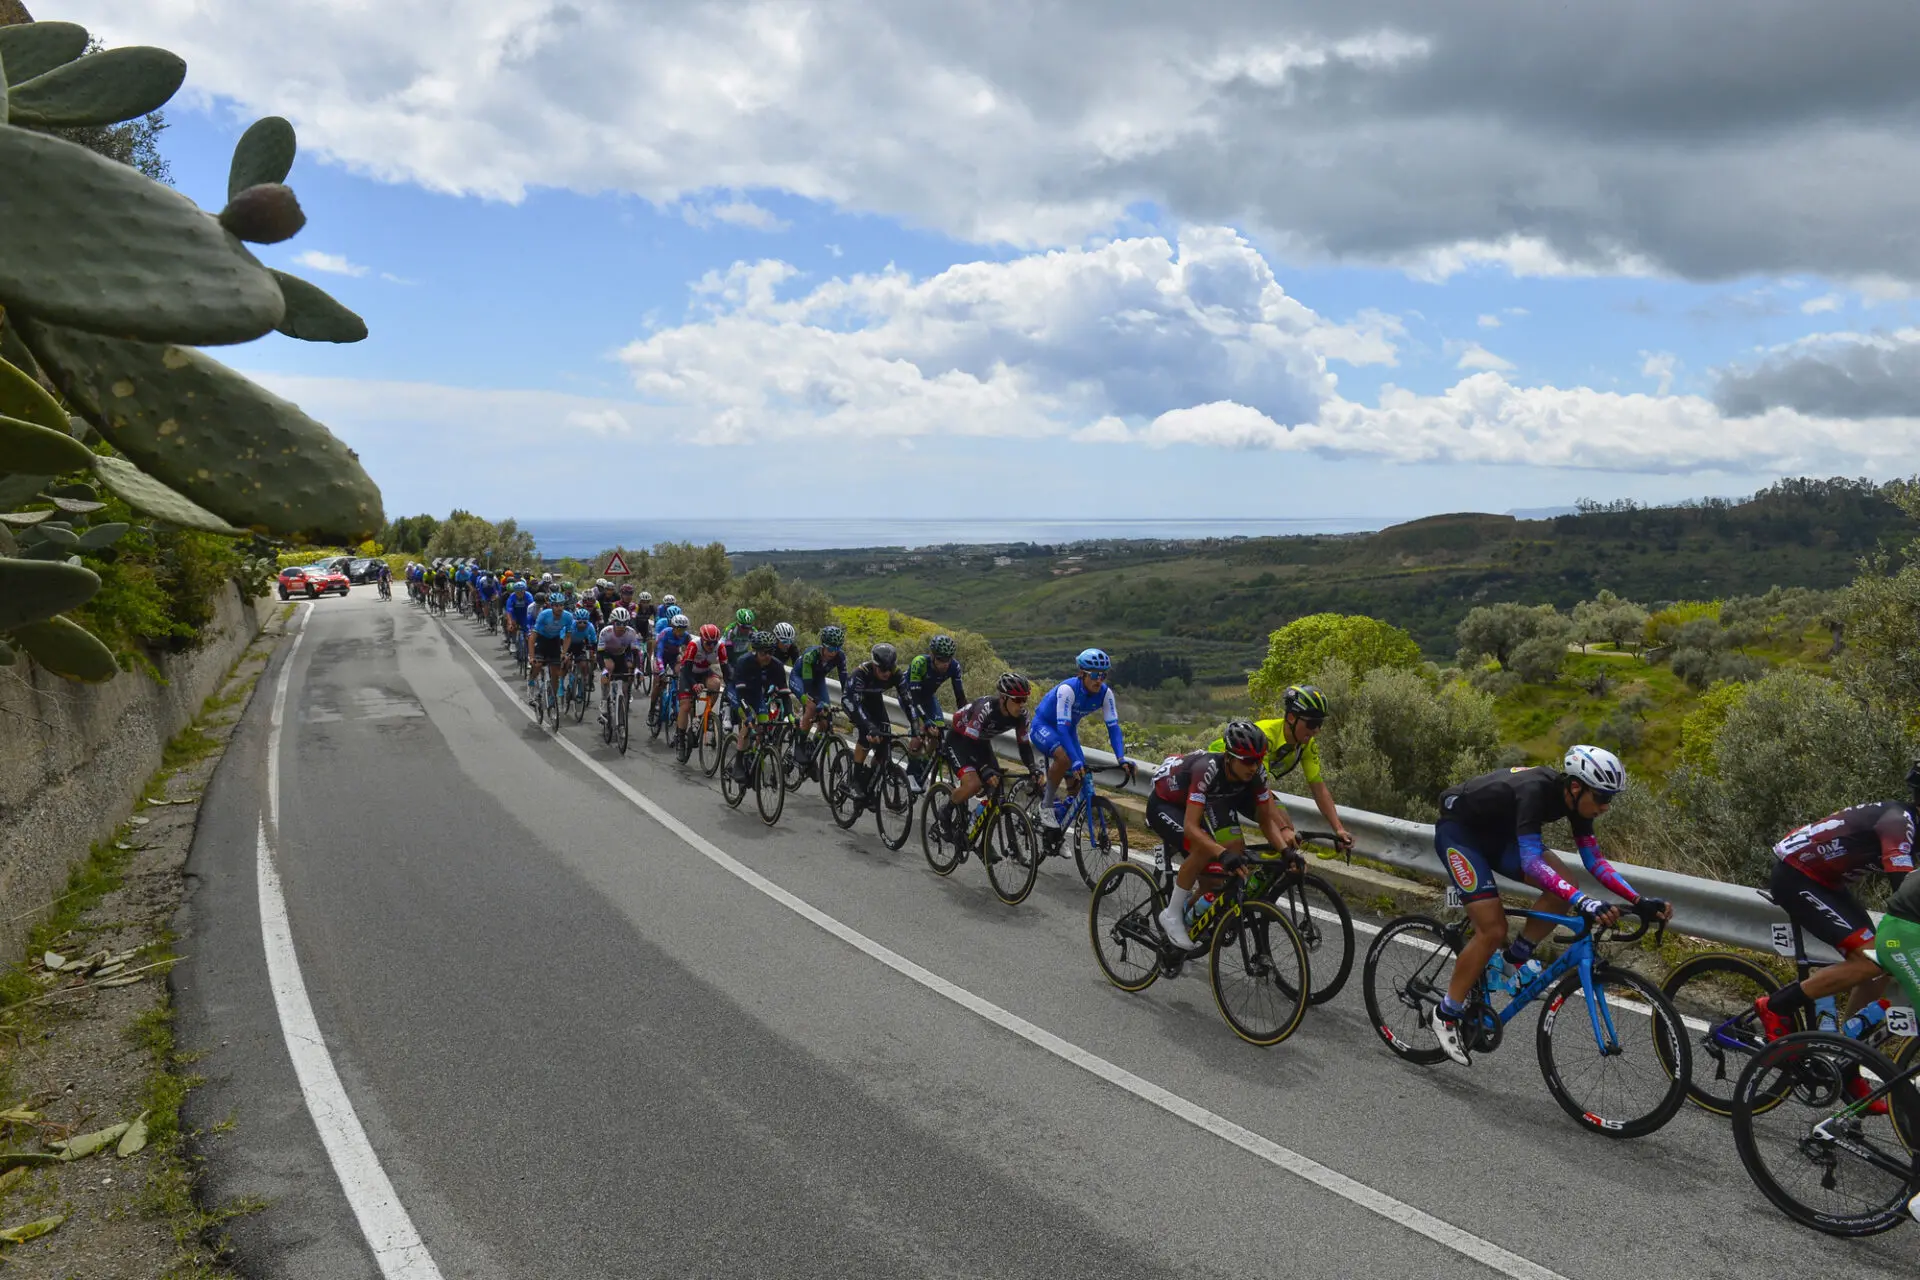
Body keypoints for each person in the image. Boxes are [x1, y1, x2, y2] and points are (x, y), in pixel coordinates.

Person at [1427, 746, 1669, 1066]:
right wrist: (1583, 902)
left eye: (1610, 799)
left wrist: (1638, 900)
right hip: (1460, 835)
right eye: (1601, 797)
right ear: (1576, 786)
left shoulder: (1578, 803)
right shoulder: (1534, 791)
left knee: (1566, 884)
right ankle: (1445, 1013)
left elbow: (1594, 862)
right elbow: (1531, 861)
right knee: (1493, 929)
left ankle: (1512, 960)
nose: (1605, 807)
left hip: (1498, 837)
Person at [1749, 765, 1916, 1105]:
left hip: (1827, 882)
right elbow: (1904, 892)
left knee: (1880, 966)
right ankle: (1776, 1006)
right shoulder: (1899, 822)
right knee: (1872, 958)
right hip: (1797, 875)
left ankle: (1845, 1061)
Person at [1150, 721, 1306, 950]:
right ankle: (1171, 915)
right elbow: (1191, 828)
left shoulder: (1256, 772)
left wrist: (1285, 851)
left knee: (1215, 880)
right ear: (1229, 757)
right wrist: (1222, 853)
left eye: (1259, 759)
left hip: (1205, 802)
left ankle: (1188, 919)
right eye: (1248, 761)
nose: (1254, 766)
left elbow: (1265, 820)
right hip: (1166, 804)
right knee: (1203, 847)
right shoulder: (1207, 770)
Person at [1204, 685, 1352, 853]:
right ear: (1291, 717)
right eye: (1312, 723)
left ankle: (1263, 870)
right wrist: (1282, 829)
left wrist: (1339, 829)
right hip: (1220, 786)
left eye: (1320, 723)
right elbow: (1262, 788)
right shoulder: (1265, 737)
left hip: (1247, 785)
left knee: (1288, 837)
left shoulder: (1305, 745)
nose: (1317, 730)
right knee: (1234, 849)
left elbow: (1319, 788)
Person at [1030, 648, 1133, 828]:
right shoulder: (1068, 690)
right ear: (1082, 674)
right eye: (1094, 675)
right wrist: (1075, 760)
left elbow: (1113, 727)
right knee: (1065, 758)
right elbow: (1062, 729)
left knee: (1080, 779)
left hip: (1068, 730)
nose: (1099, 680)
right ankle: (1046, 805)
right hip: (1044, 726)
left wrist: (1121, 758)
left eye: (1103, 675)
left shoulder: (1105, 693)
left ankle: (1058, 823)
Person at [940, 673, 1039, 844]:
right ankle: (946, 811)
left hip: (981, 742)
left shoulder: (1022, 715)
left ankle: (980, 837)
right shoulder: (985, 709)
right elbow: (968, 742)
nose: (1021, 704)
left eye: (1024, 699)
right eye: (1017, 700)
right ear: (1003, 698)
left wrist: (1033, 767)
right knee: (974, 784)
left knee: (996, 787)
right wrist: (983, 769)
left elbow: (1024, 746)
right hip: (960, 739)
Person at [840, 642, 915, 812]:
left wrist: (915, 726)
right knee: (867, 734)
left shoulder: (895, 674)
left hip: (874, 700)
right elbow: (856, 705)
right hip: (853, 701)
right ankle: (855, 779)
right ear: (874, 665)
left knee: (884, 740)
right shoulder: (861, 673)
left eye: (890, 669)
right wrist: (869, 726)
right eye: (882, 670)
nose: (887, 673)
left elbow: (908, 701)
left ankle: (870, 781)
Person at [726, 630, 789, 782]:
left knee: (763, 726)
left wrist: (790, 715)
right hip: (737, 693)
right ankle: (739, 762)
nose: (767, 656)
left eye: (770, 652)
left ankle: (754, 756)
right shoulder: (744, 661)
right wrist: (748, 715)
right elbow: (741, 695)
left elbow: (784, 692)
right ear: (755, 651)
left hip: (755, 694)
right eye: (763, 653)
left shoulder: (776, 665)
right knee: (748, 723)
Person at [905, 634, 965, 790]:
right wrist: (925, 720)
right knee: (919, 732)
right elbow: (914, 699)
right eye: (940, 659)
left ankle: (923, 764)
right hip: (910, 696)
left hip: (928, 697)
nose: (945, 664)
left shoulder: (954, 666)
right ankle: (910, 773)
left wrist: (966, 718)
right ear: (932, 655)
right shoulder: (920, 663)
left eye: (948, 659)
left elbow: (960, 696)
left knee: (937, 733)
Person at [790, 625, 849, 767]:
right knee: (811, 707)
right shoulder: (811, 655)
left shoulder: (840, 656)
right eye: (830, 649)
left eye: (837, 648)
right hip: (800, 679)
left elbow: (844, 681)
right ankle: (799, 744)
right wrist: (816, 702)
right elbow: (808, 686)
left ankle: (812, 748)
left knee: (825, 720)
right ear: (823, 646)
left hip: (818, 680)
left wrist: (848, 699)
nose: (833, 653)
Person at [675, 622, 727, 747]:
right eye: (708, 643)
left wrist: (731, 683)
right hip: (689, 673)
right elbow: (686, 670)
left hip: (704, 672)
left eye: (714, 643)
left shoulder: (720, 647)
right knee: (686, 706)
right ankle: (680, 738)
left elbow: (726, 669)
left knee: (716, 684)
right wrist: (694, 685)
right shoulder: (694, 645)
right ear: (702, 639)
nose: (711, 646)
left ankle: (705, 716)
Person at [526, 592, 573, 705]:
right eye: (556, 605)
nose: (559, 608)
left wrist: (564, 653)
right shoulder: (544, 615)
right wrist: (531, 657)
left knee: (555, 673)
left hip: (554, 641)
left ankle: (552, 699)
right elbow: (533, 637)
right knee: (537, 665)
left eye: (561, 605)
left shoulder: (568, 616)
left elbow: (568, 636)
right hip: (541, 640)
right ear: (551, 606)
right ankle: (531, 682)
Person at [598, 607, 642, 720]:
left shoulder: (631, 633)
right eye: (618, 623)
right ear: (613, 623)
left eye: (624, 624)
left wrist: (637, 669)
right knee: (609, 668)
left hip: (622, 655)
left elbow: (636, 653)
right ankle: (604, 700)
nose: (621, 627)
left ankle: (625, 695)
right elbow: (600, 654)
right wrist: (603, 670)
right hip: (607, 654)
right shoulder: (605, 632)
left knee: (629, 670)